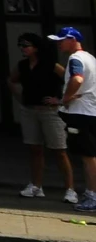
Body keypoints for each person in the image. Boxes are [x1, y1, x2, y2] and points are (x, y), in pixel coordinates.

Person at [13, 31, 70, 200]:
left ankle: (70, 188)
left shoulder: (51, 65)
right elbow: (11, 80)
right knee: (35, 148)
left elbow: (70, 79)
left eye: (26, 46)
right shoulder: (22, 65)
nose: (22, 49)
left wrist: (60, 100)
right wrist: (20, 97)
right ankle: (36, 185)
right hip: (30, 109)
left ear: (36, 48)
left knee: (59, 150)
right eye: (21, 46)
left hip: (50, 111)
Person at [58, 27, 96, 213]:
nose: (59, 43)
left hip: (81, 113)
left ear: (72, 39)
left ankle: (92, 195)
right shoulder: (91, 58)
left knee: (88, 156)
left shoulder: (76, 58)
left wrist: (65, 98)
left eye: (61, 40)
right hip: (91, 111)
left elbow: (77, 79)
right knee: (90, 154)